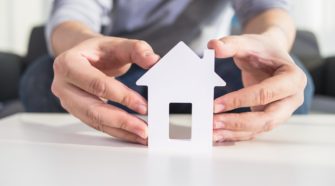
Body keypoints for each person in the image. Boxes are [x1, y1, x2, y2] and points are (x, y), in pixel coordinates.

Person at [20, 0, 314, 145]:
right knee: (43, 77)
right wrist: (83, 47)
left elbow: (268, 10)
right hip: (122, 68)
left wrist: (271, 43)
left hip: (208, 65)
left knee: (286, 79)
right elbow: (71, 16)